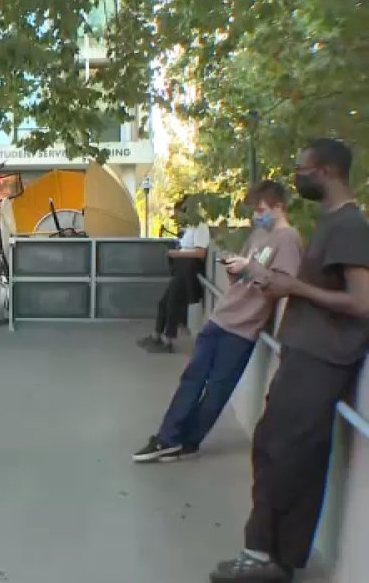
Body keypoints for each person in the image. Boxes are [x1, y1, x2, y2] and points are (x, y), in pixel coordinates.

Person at [210, 138, 369, 583]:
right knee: (278, 449)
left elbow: (361, 303)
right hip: (305, 353)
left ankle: (267, 559)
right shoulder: (331, 223)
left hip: (323, 361)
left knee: (284, 454)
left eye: (302, 169)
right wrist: (269, 281)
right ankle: (269, 556)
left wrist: (293, 289)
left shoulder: (351, 227)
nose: (296, 177)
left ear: (327, 172)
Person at [133, 180, 302, 463]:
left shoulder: (288, 239)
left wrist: (250, 268)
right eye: (254, 210)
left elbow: (285, 283)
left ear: (278, 207)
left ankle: (187, 441)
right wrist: (237, 267)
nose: (256, 216)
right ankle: (168, 437)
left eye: (261, 210)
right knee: (192, 378)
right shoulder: (259, 234)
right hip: (222, 316)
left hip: (244, 327)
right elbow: (249, 270)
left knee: (217, 388)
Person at [139, 196, 210, 353]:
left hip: (189, 268)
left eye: (180, 214)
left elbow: (200, 253)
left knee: (173, 303)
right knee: (164, 302)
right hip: (181, 266)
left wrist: (176, 254)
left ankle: (167, 340)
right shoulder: (190, 228)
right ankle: (157, 334)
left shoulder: (200, 227)